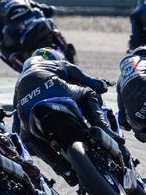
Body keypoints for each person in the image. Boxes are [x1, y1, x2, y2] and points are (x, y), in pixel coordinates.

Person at [14, 48, 114, 185]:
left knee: (28, 137)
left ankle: (62, 169)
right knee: (88, 92)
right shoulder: (54, 63)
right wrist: (101, 85)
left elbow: (16, 122)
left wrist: (22, 139)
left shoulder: (19, 82)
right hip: (53, 86)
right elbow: (88, 81)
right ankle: (104, 130)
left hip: (25, 104)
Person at [0, 0, 67, 71]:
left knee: (2, 48)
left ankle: (27, 70)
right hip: (38, 24)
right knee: (49, 24)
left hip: (18, 33)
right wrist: (53, 9)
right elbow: (47, 10)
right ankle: (65, 49)